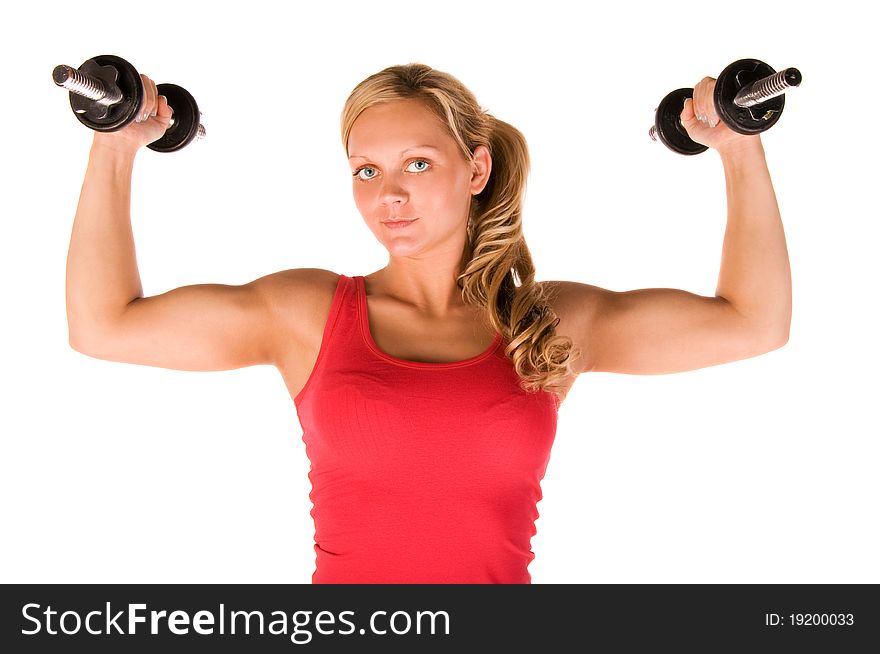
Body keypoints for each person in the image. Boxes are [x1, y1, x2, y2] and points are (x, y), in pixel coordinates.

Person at [66, 63, 792, 583]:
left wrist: (738, 148)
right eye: (366, 170)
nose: (389, 195)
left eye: (417, 163)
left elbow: (754, 323)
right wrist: (115, 147)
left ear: (476, 170)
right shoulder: (307, 314)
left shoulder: (546, 324)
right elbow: (103, 326)